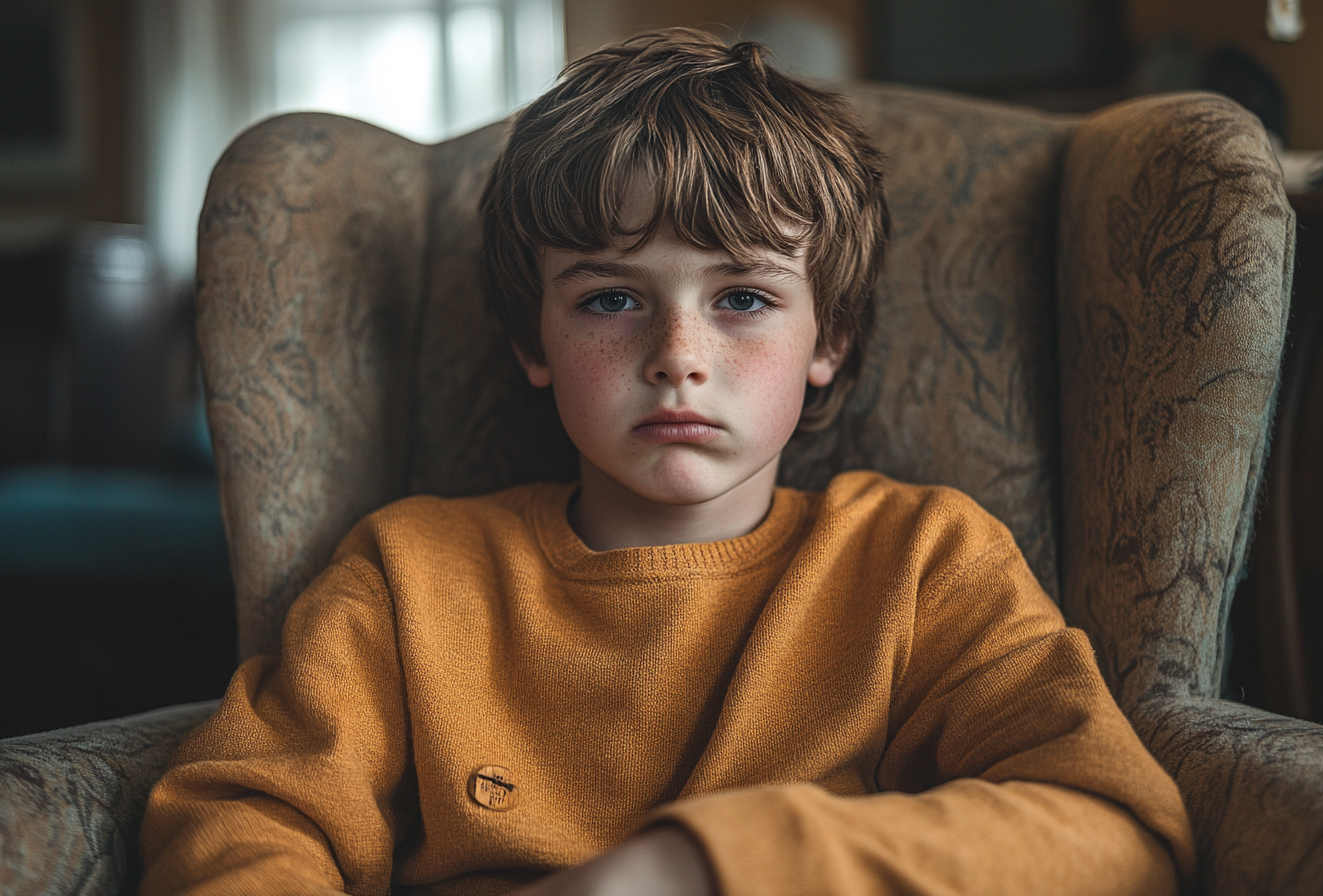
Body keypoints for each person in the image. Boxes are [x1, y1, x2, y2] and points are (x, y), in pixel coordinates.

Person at [139, 28, 1195, 896]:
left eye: (742, 298)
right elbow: (245, 815)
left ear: (830, 341)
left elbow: (1114, 826)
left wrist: (691, 864)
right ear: (533, 342)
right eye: (610, 298)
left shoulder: (922, 561)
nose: (678, 358)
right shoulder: (410, 574)